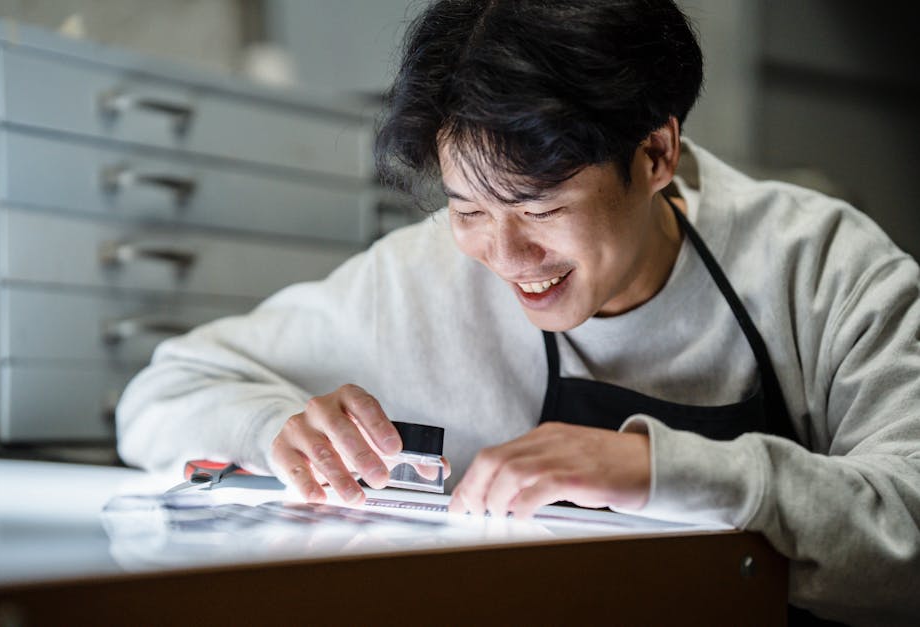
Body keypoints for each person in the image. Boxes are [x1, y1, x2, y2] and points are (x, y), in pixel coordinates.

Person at [116, 0, 920, 623]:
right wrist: (275, 428)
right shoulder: (419, 280)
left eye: (538, 208)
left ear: (655, 153)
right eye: (468, 208)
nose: (503, 256)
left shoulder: (817, 266)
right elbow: (161, 393)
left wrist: (654, 471)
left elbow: (908, 532)